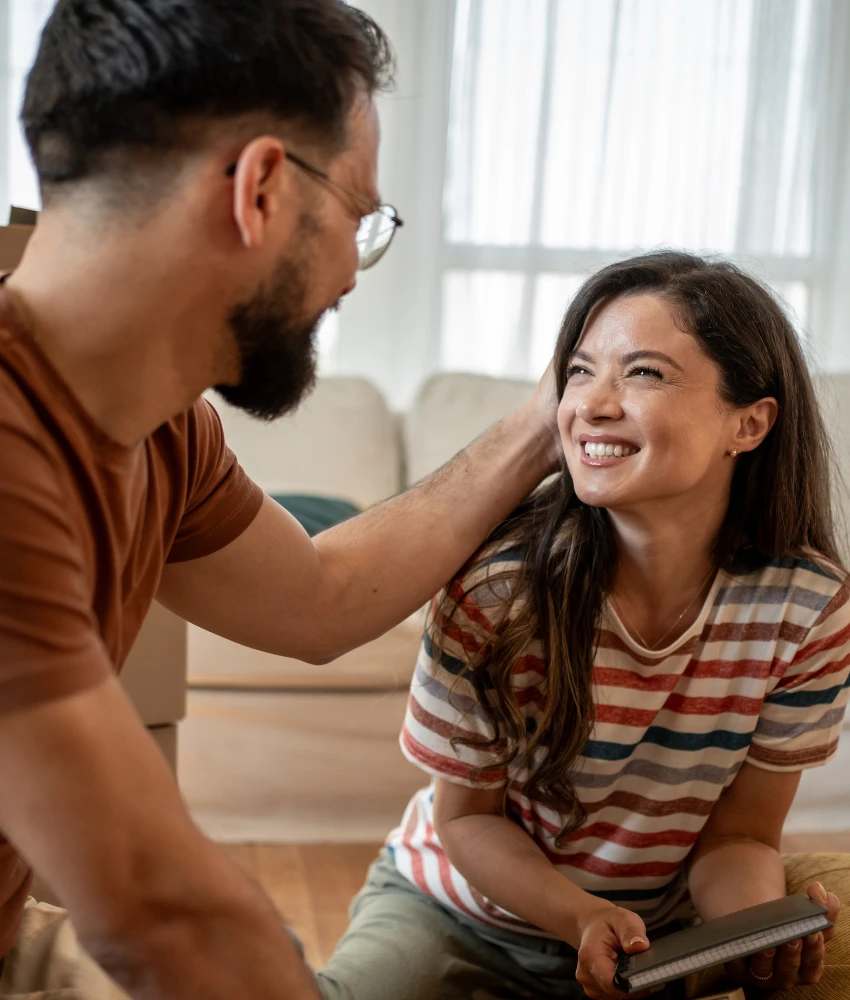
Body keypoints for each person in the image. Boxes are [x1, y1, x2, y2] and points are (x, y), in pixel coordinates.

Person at [0, 1, 561, 998]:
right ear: (259, 189)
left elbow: (318, 596)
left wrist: (540, 426)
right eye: (359, 220)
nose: (352, 269)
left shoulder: (161, 426)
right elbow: (157, 907)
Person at [317, 251, 849, 1000]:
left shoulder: (807, 607)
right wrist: (578, 915)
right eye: (578, 371)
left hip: (649, 939)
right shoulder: (500, 591)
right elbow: (467, 822)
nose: (592, 405)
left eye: (644, 373)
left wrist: (760, 927)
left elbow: (741, 835)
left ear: (751, 422)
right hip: (458, 913)